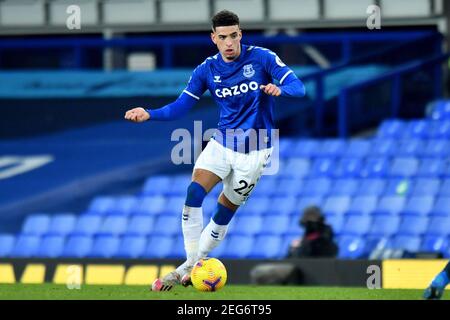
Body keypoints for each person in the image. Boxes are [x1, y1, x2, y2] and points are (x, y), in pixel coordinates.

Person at [125, 10, 306, 291]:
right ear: (214, 39)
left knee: (225, 210)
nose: (229, 42)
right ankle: (190, 264)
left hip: (256, 152)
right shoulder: (206, 70)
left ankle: (188, 267)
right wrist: (149, 113)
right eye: (223, 37)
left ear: (240, 34)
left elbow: (299, 86)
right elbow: (181, 106)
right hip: (222, 142)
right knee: (194, 191)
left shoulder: (262, 58)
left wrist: (282, 90)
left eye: (234, 35)